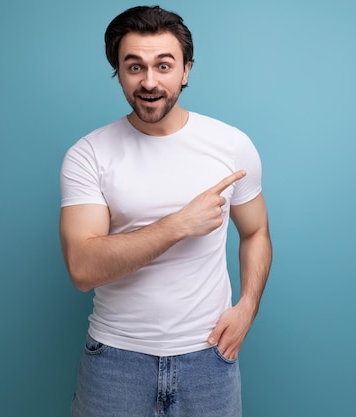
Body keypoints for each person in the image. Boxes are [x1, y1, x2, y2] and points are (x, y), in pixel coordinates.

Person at [59, 5, 272, 417]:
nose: (150, 82)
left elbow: (256, 231)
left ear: (186, 70)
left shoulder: (230, 145)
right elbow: (82, 268)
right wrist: (178, 225)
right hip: (115, 360)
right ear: (118, 72)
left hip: (208, 356)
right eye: (134, 67)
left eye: (164, 65)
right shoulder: (89, 154)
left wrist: (247, 307)